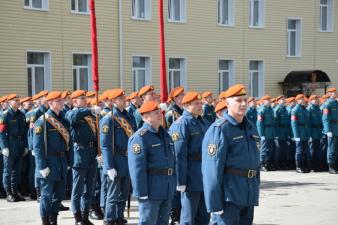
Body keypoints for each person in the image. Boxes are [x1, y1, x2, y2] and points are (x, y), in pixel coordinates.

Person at [202, 84, 260, 225]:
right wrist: (214, 205)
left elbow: (255, 162)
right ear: (227, 104)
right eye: (238, 100)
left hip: (248, 193)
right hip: (229, 197)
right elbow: (211, 171)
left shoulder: (250, 127)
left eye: (245, 100)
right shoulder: (220, 129)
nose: (243, 104)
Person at [128, 101, 176, 225]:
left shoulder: (165, 135)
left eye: (160, 112)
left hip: (166, 187)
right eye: (155, 113)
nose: (160, 114)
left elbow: (172, 162)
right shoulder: (140, 138)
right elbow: (137, 168)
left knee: (163, 222)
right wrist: (141, 192)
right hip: (151, 190)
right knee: (148, 222)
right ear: (145, 117)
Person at [169, 92, 210, 225]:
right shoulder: (181, 124)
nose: (200, 106)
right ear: (186, 105)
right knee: (188, 217)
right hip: (191, 176)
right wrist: (180, 180)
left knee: (204, 216)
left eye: (200, 103)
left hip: (205, 174)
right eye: (196, 104)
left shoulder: (204, 122)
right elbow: (179, 154)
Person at [33, 91, 70, 225]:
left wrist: (68, 162)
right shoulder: (42, 121)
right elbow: (38, 147)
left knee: (59, 195)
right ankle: (45, 221)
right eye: (58, 101)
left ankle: (53, 219)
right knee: (47, 196)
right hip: (48, 162)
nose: (61, 103)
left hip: (61, 161)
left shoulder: (64, 120)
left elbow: (68, 144)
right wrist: (42, 166)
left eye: (62, 101)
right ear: (50, 103)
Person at [100, 89, 136, 225]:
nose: (124, 99)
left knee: (125, 193)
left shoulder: (129, 116)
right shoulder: (109, 119)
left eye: (124, 97)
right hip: (116, 159)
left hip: (128, 159)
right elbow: (106, 145)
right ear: (114, 101)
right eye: (121, 98)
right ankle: (109, 219)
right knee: (113, 194)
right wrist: (109, 166)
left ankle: (119, 217)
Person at [66, 90, 100, 225]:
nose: (85, 100)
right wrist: (90, 110)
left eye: (85, 98)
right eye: (82, 98)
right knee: (78, 188)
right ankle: (77, 218)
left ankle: (85, 216)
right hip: (80, 153)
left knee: (89, 188)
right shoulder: (72, 113)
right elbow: (73, 117)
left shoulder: (90, 115)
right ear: (75, 101)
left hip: (92, 153)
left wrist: (99, 152)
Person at [0, 94, 28, 202]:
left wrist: (26, 146)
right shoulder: (5, 115)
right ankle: (8, 193)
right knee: (8, 171)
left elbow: (25, 132)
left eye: (18, 100)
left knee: (17, 171)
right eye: (15, 100)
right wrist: (4, 147)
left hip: (20, 145)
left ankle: (15, 192)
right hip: (10, 145)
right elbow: (2, 132)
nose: (17, 102)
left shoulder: (21, 114)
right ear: (9, 102)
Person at [291, 94, 310, 173]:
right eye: (301, 99)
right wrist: (296, 135)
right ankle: (298, 167)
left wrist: (308, 134)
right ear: (298, 100)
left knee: (305, 150)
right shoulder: (295, 110)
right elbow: (294, 124)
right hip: (299, 132)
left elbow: (307, 123)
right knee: (299, 151)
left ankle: (304, 166)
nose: (303, 100)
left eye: (303, 99)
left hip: (305, 133)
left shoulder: (305, 109)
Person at [257, 95, 275, 171]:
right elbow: (259, 124)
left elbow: (273, 122)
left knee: (270, 149)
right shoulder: (261, 110)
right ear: (264, 101)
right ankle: (262, 165)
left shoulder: (271, 110)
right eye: (267, 100)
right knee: (263, 149)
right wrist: (261, 135)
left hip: (271, 132)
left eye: (269, 100)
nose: (269, 101)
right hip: (265, 131)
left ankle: (268, 164)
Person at [322, 88, 338, 174]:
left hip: (336, 128)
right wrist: (328, 130)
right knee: (331, 148)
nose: (336, 93)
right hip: (331, 128)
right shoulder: (327, 104)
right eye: (334, 92)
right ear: (330, 93)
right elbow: (325, 118)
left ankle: (335, 165)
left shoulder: (336, 103)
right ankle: (331, 167)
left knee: (336, 149)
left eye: (336, 92)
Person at [307, 95, 323, 172]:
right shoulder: (309, 109)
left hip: (318, 131)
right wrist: (309, 134)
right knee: (312, 149)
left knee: (317, 149)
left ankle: (317, 164)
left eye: (317, 99)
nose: (316, 100)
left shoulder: (318, 109)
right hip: (312, 131)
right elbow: (307, 123)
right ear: (311, 100)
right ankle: (311, 166)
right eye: (314, 99)